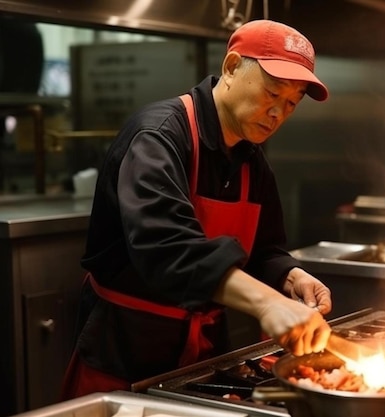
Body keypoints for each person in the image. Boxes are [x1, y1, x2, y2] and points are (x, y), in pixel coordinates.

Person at [61, 19, 332, 400]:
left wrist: (291, 276)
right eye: (272, 93)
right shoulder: (158, 136)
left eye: (291, 103)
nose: (278, 113)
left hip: (200, 362)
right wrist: (268, 302)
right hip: (123, 354)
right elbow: (167, 248)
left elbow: (264, 250)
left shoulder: (253, 163)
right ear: (232, 66)